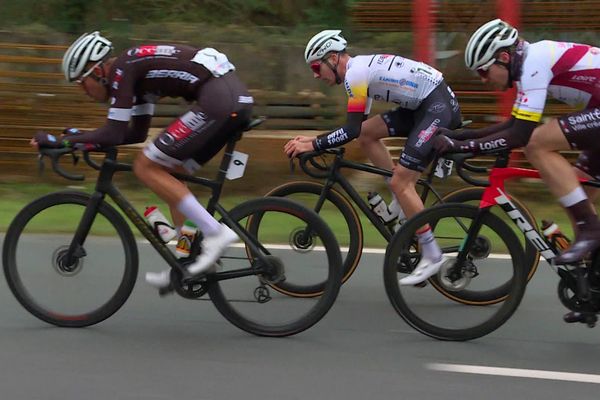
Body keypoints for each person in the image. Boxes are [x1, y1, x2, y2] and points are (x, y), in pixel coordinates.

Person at [31, 31, 254, 290]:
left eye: (81, 82)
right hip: (233, 99)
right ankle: (188, 261)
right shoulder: (134, 74)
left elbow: (113, 132)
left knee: (144, 165)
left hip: (219, 101)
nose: (83, 91)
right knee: (173, 171)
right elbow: (135, 132)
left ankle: (215, 232)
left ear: (97, 70)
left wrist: (63, 142)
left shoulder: (124, 68)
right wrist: (80, 139)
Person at [433, 19, 600, 322]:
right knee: (579, 193)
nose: (483, 79)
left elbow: (522, 135)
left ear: (504, 58)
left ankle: (592, 230)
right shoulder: (528, 67)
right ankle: (591, 292)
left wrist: (465, 149)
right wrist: (462, 137)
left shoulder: (535, 61)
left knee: (538, 144)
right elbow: (513, 124)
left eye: (484, 71)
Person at [284, 30, 463, 285]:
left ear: (333, 58)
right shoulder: (358, 71)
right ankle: (401, 203)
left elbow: (349, 130)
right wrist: (313, 140)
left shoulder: (355, 75)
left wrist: (314, 144)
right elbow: (357, 128)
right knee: (367, 136)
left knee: (401, 182)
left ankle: (432, 254)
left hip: (435, 107)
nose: (315, 75)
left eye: (316, 66)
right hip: (422, 106)